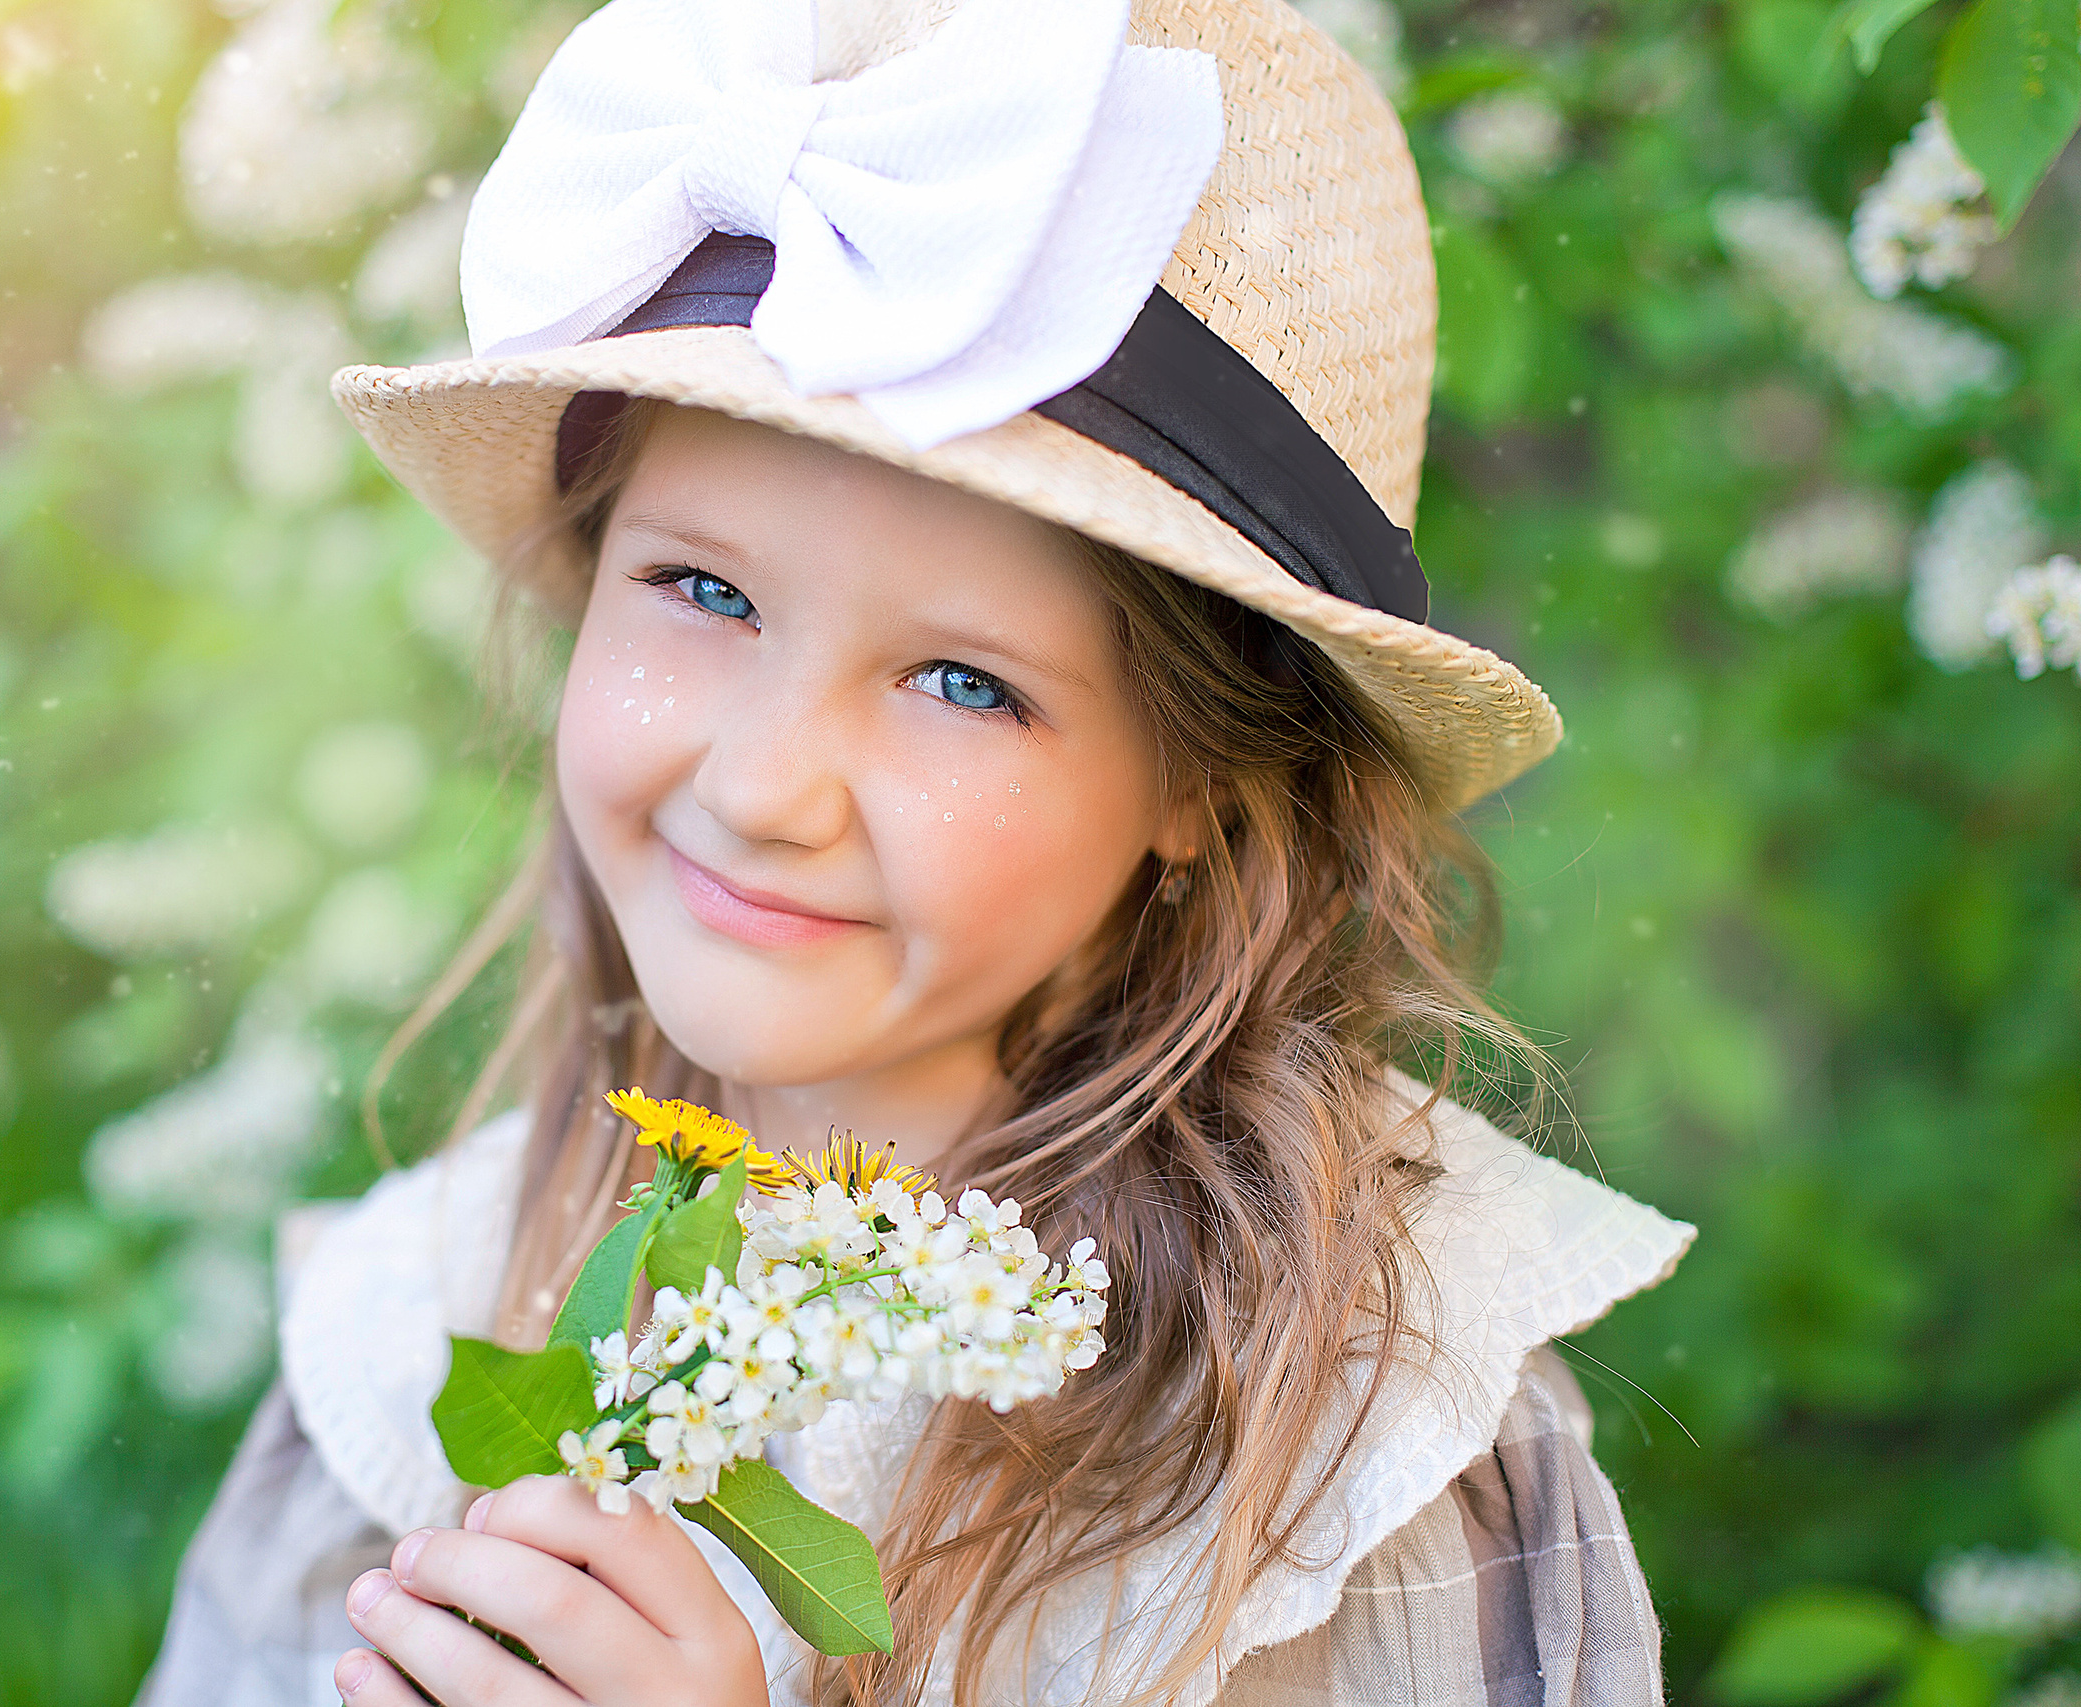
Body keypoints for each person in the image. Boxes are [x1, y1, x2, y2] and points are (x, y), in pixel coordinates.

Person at [134, 0, 1697, 1701]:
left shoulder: (1343, 1469)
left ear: (1206, 782)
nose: (766, 788)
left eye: (964, 683)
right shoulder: (426, 1325)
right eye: (703, 589)